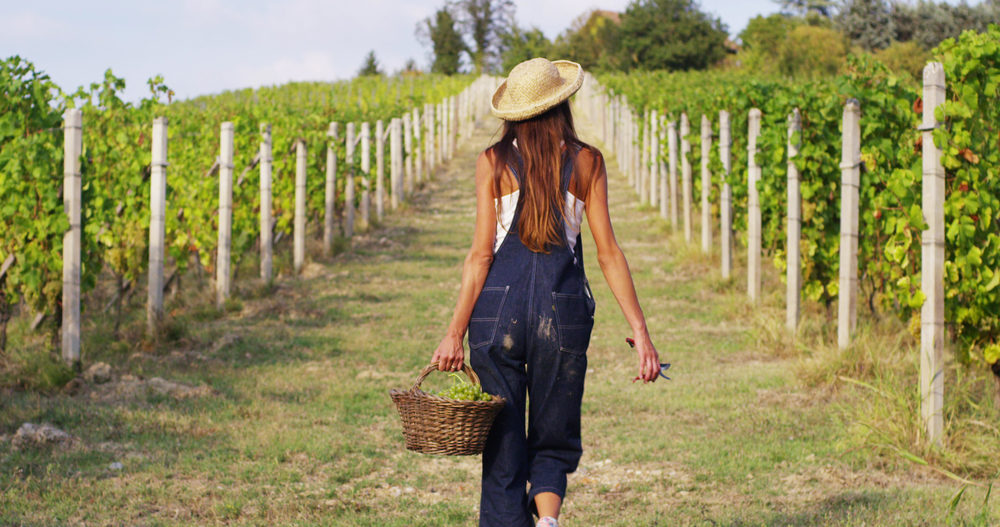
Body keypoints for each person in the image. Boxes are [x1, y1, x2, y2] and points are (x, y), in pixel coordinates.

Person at [431, 57, 663, 527]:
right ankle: (549, 522)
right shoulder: (586, 161)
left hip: (498, 314)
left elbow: (480, 257)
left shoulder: (493, 163)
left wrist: (454, 333)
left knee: (502, 443)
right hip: (564, 312)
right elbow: (608, 253)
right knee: (554, 433)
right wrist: (641, 331)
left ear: (514, 112)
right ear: (561, 104)